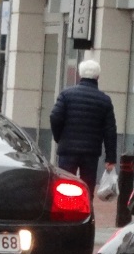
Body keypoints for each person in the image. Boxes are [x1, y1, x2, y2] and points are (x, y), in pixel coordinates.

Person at [49, 59, 117, 192]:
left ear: (80, 75)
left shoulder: (66, 95)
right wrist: (110, 158)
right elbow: (110, 130)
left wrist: (59, 138)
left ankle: (66, 212)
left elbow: (54, 117)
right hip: (90, 152)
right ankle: (87, 212)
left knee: (64, 187)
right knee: (87, 189)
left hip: (67, 150)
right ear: (98, 77)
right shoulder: (104, 100)